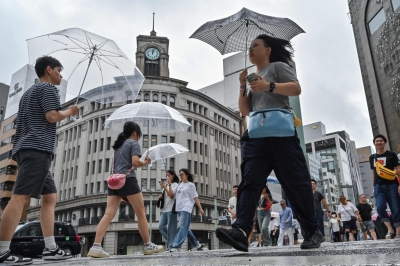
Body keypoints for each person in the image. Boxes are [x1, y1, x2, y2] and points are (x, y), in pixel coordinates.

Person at [215, 34, 324, 252]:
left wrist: (268, 86)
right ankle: (241, 231)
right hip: (256, 135)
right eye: (250, 47)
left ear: (268, 50)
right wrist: (241, 86)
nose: (251, 50)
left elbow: (295, 89)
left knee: (296, 183)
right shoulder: (252, 77)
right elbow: (245, 111)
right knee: (250, 182)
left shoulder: (277, 67)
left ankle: (312, 231)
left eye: (256, 46)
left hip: (282, 133)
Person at [0, 56, 79, 265]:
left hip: (27, 147)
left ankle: (51, 248)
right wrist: (70, 112)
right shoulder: (48, 89)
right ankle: (1, 251)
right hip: (37, 148)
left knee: (50, 197)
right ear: (49, 69)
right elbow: (52, 116)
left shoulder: (28, 93)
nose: (61, 76)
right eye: (59, 71)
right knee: (20, 197)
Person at [88, 121, 163, 258]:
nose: (139, 136)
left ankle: (96, 246)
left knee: (108, 213)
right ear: (135, 133)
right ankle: (148, 245)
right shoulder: (133, 143)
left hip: (113, 180)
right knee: (141, 212)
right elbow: (135, 163)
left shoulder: (118, 146)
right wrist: (146, 162)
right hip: (127, 180)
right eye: (139, 133)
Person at [370, 134, 400, 238]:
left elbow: (398, 169)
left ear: (385, 142)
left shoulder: (391, 155)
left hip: (392, 185)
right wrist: (374, 187)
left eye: (381, 141)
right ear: (374, 143)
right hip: (379, 186)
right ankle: (390, 229)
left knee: (395, 208)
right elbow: (373, 173)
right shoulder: (372, 157)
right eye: (377, 141)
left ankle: (398, 231)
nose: (379, 142)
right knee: (380, 206)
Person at [169, 169, 204, 252]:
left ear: (186, 175)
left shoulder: (190, 185)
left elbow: (195, 197)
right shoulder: (179, 185)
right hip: (179, 208)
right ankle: (196, 244)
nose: (180, 176)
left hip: (186, 207)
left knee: (181, 226)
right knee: (185, 228)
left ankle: (176, 246)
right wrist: (169, 185)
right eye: (179, 174)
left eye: (182, 174)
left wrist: (200, 208)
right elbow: (171, 195)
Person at [158, 170, 180, 250]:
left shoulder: (175, 185)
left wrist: (167, 186)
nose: (167, 177)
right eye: (166, 176)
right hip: (164, 210)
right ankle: (174, 242)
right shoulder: (166, 185)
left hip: (171, 209)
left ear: (173, 176)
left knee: (171, 228)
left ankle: (171, 246)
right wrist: (161, 196)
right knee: (160, 226)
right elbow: (166, 196)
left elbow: (171, 195)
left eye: (168, 175)